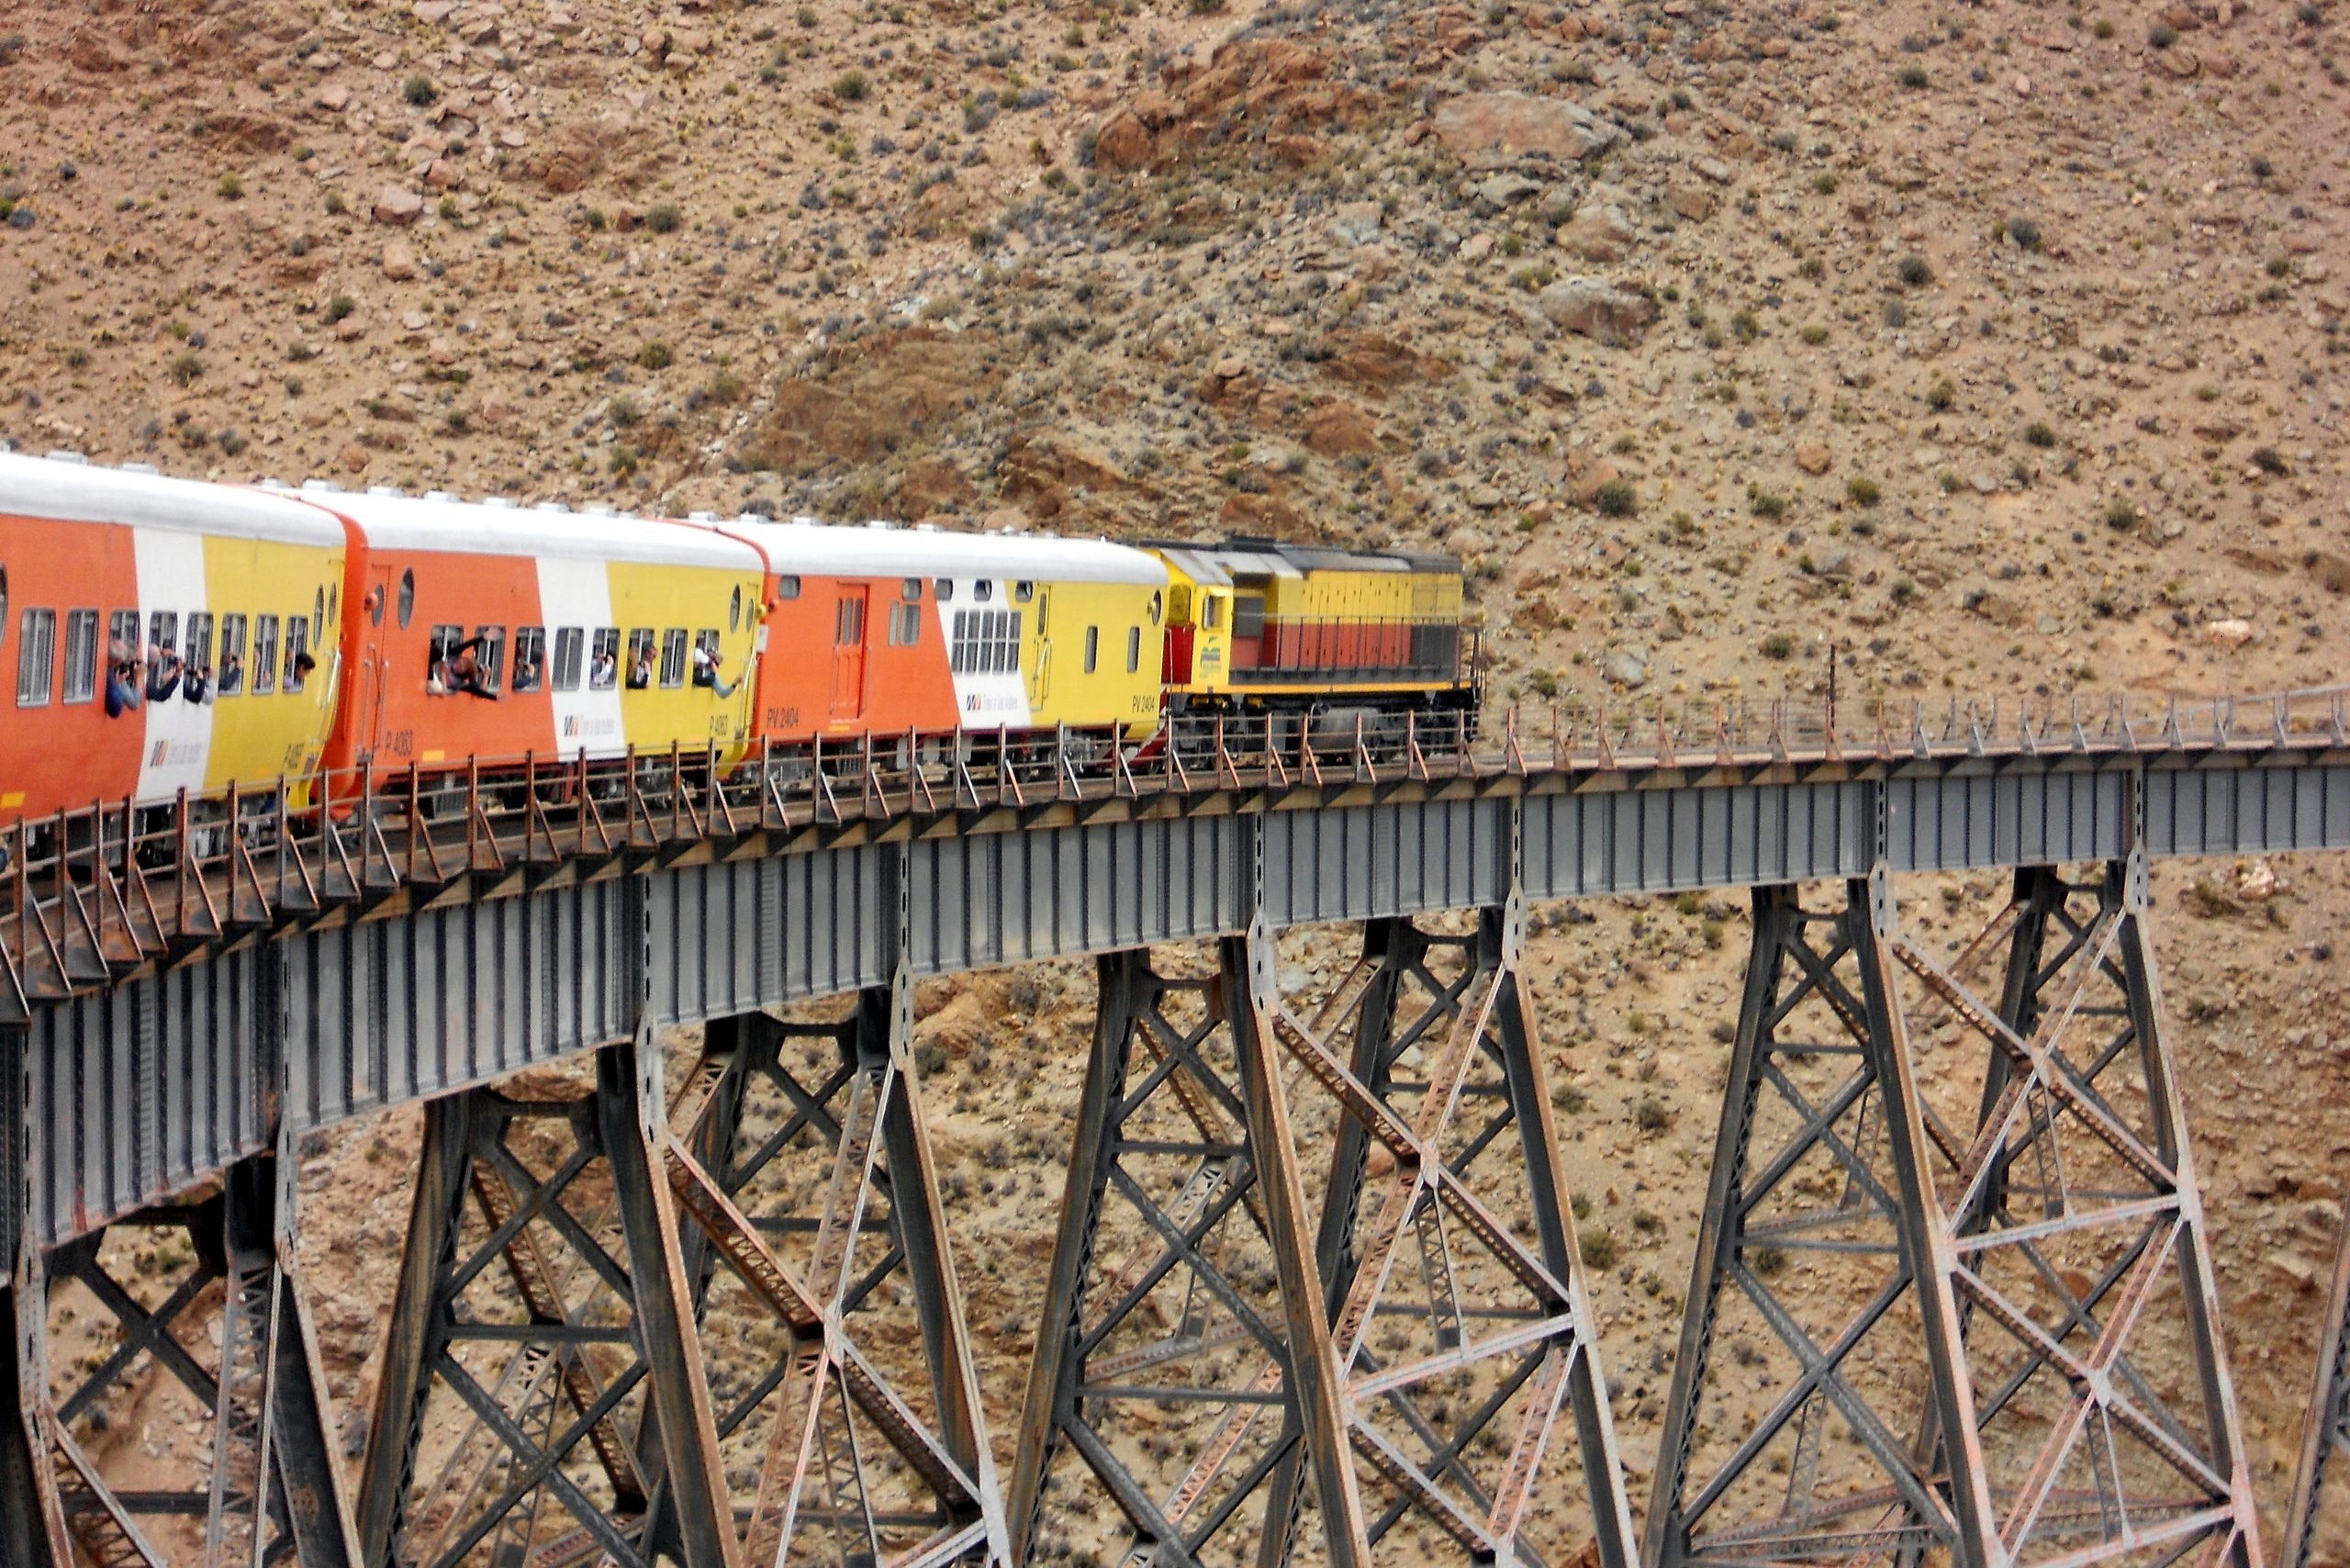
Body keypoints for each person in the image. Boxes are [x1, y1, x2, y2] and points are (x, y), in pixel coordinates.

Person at [437, 634, 498, 700]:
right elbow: (466, 645)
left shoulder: (456, 682)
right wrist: (483, 637)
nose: (461, 664)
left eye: (464, 667)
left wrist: (486, 676)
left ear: (463, 674)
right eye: (463, 661)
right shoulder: (451, 656)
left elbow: (480, 693)